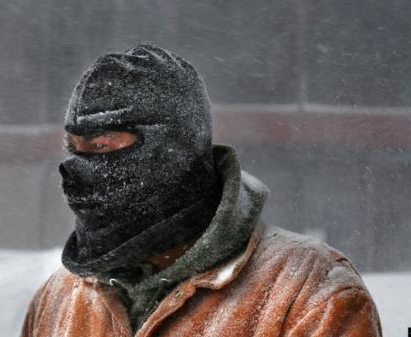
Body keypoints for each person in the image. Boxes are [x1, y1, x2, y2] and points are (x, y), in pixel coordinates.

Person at [21, 44, 382, 337]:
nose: (75, 170)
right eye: (74, 149)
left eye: (101, 147)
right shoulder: (59, 300)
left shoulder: (305, 295)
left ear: (172, 152)